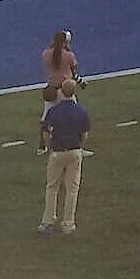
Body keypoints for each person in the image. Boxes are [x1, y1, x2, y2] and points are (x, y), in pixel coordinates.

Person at [38, 77, 92, 235]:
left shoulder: (54, 111)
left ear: (61, 92)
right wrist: (79, 146)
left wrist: (50, 147)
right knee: (72, 189)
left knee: (52, 187)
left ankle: (48, 222)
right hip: (74, 151)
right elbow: (85, 134)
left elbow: (45, 132)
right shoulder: (81, 110)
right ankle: (68, 223)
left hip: (58, 151)